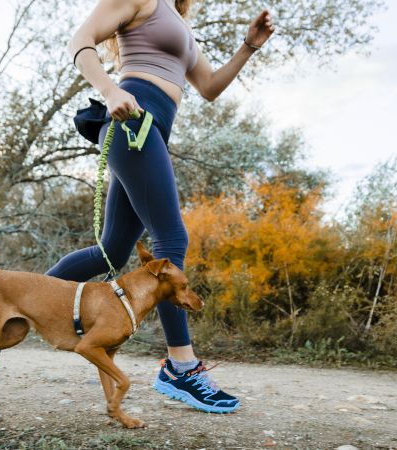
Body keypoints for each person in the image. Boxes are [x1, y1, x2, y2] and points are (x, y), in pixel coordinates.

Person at [46, 0, 274, 413]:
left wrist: (248, 47)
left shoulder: (178, 21)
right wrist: (110, 89)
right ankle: (180, 368)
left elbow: (208, 87)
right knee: (171, 238)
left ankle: (20, 297)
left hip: (151, 128)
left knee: (111, 252)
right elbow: (80, 41)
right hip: (134, 117)